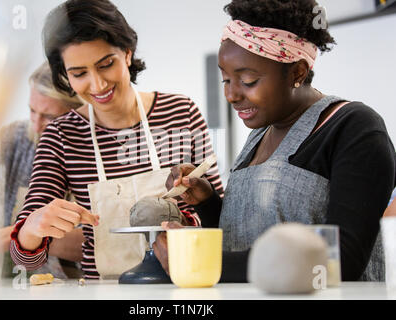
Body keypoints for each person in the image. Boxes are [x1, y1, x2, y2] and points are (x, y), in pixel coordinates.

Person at [154, 0, 396, 282]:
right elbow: (241, 236)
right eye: (225, 80)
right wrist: (207, 201)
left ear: (297, 73)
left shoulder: (354, 128)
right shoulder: (260, 133)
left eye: (247, 81)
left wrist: (204, 263)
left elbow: (340, 260)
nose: (231, 95)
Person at [9, 0, 223, 279]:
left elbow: (221, 222)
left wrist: (194, 213)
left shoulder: (181, 113)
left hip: (183, 284)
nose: (97, 85)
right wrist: (33, 227)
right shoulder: (61, 136)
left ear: (127, 53)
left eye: (106, 64)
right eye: (79, 73)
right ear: (64, 74)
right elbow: (23, 256)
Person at [0, 62, 85, 279]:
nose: (37, 125)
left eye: (49, 117)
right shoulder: (20, 136)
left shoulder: (96, 153)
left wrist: (12, 236)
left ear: (80, 112)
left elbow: (98, 242)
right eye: (32, 110)